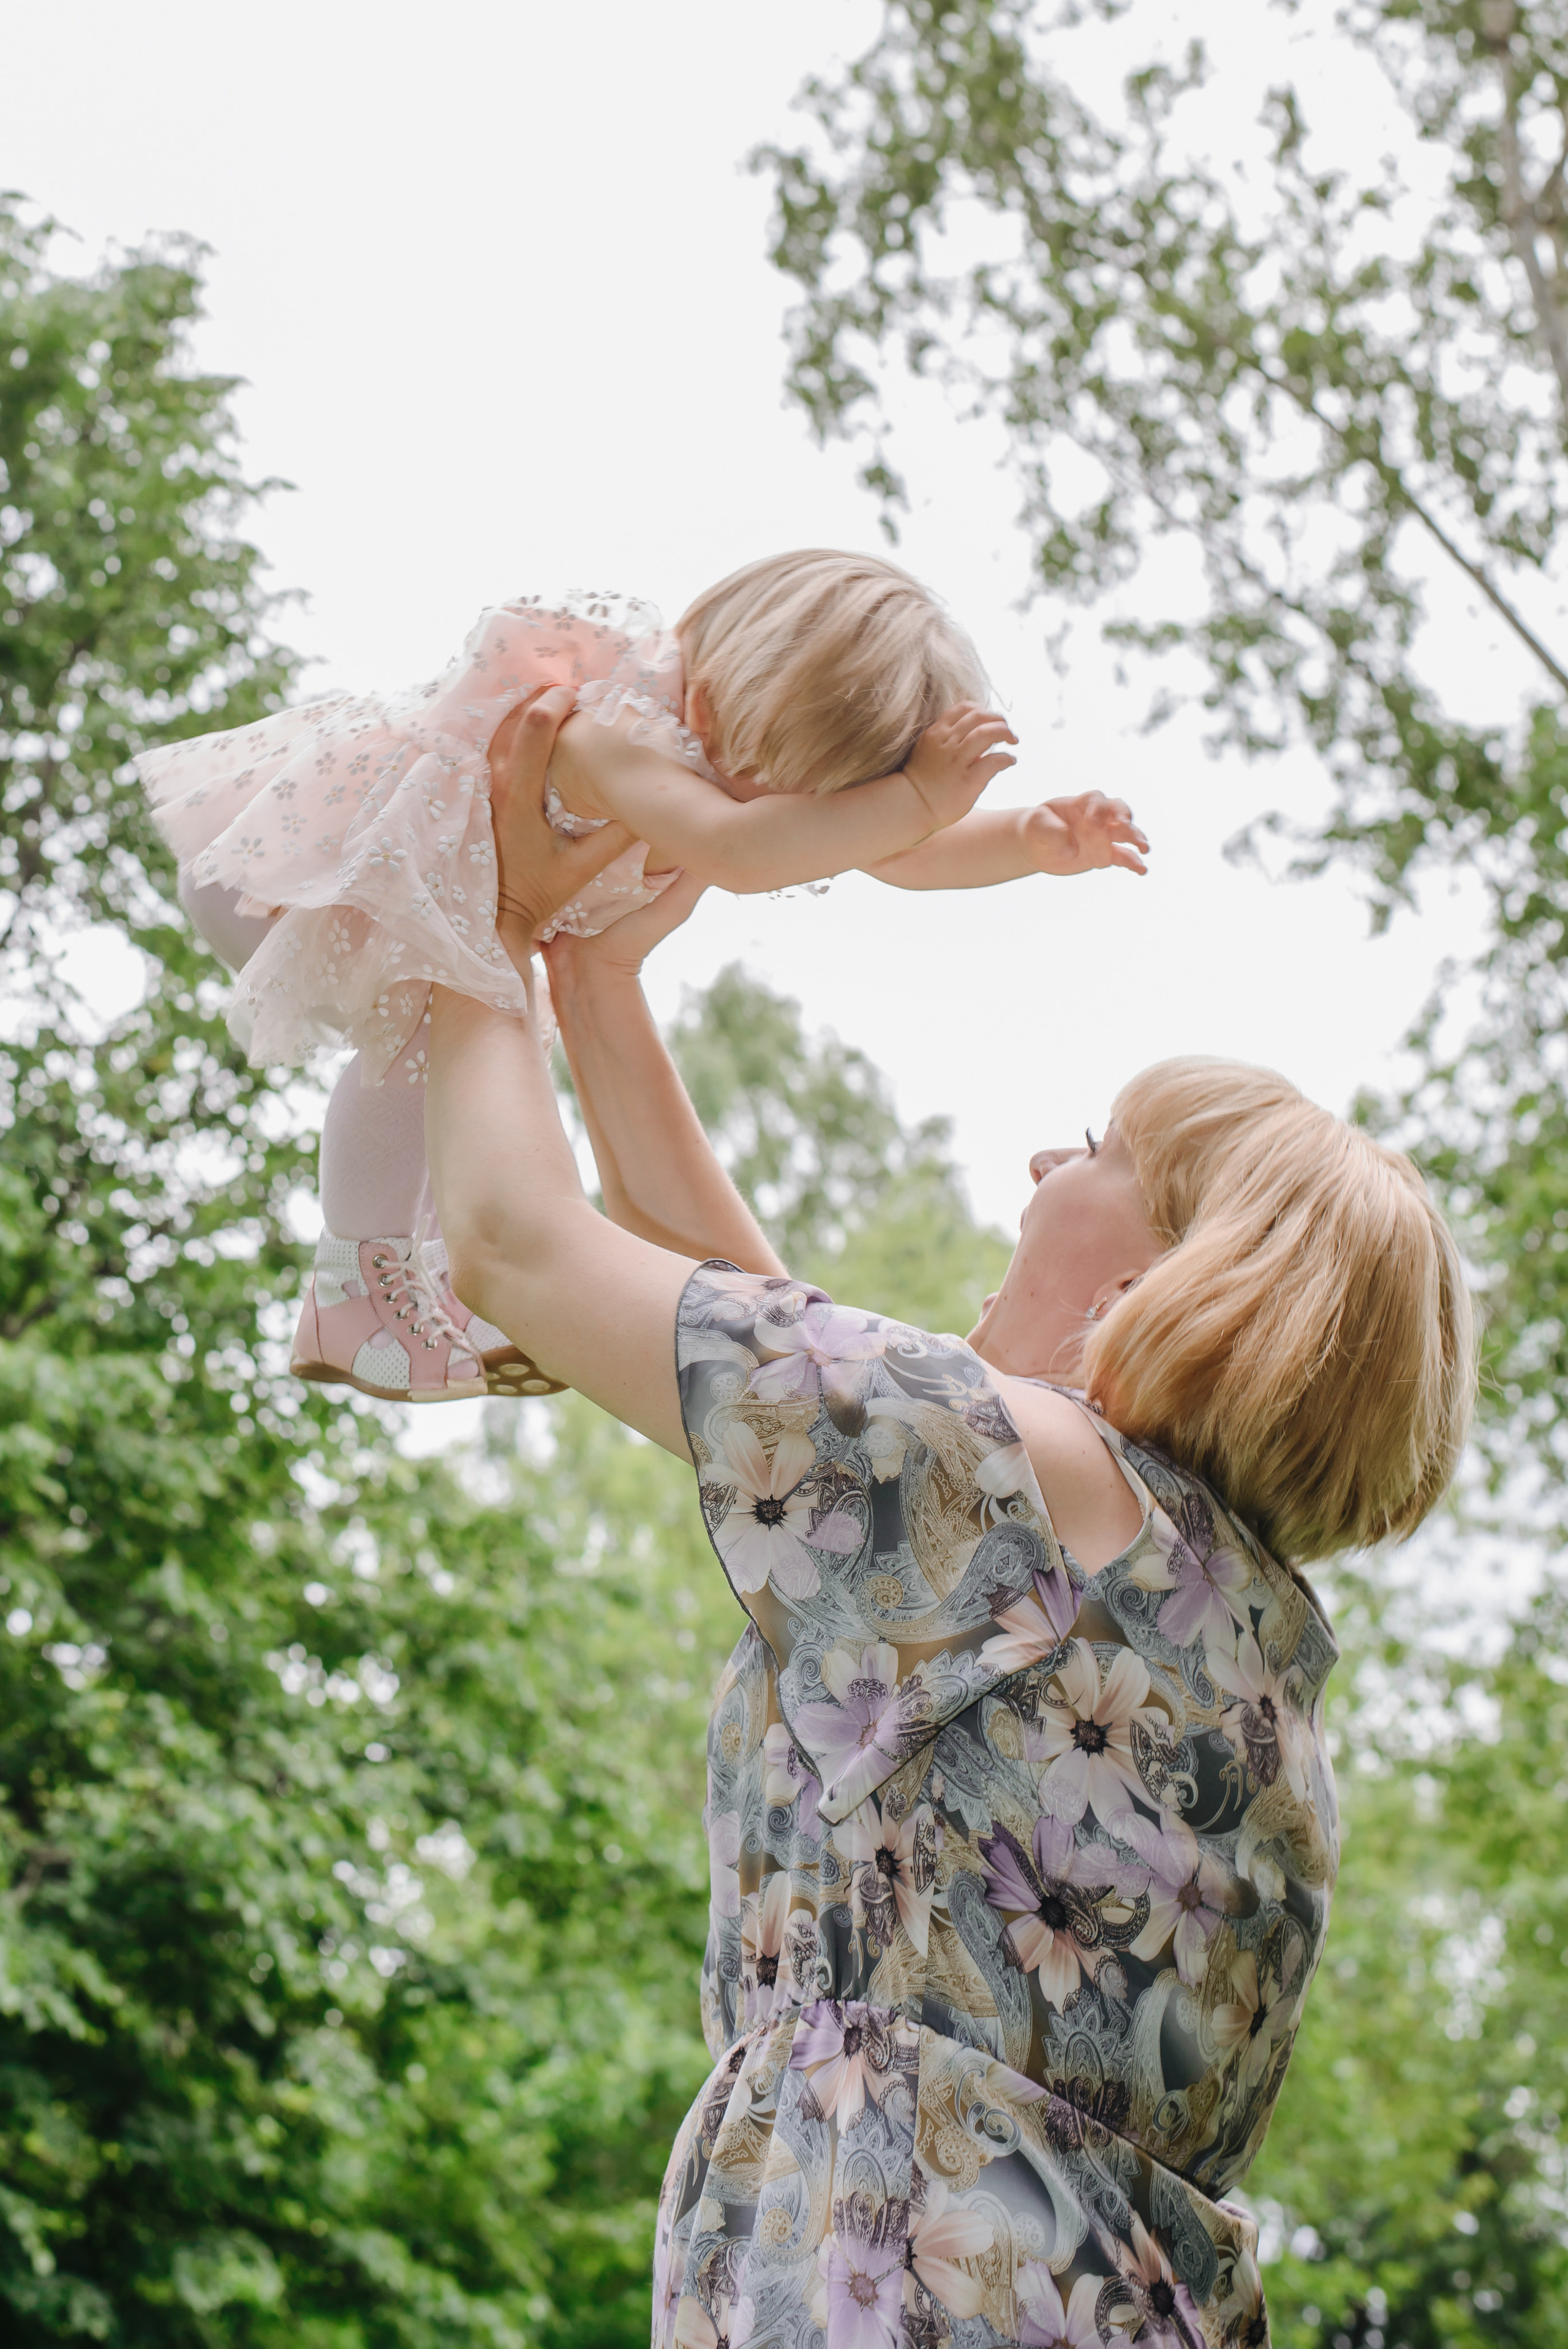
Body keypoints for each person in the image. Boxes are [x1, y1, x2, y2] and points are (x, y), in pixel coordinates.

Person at [420, 690, 1476, 2349]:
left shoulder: (1026, 1477)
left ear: (1159, 1279)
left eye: (1102, 1143)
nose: (1043, 1154)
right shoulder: (1211, 1623)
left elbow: (516, 1246)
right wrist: (595, 981)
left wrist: (464, 907)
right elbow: (758, 1322)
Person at [137, 553, 1147, 1406]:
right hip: (291, 869)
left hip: (413, 909)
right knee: (439, 1022)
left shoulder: (726, 762)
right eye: (809, 804)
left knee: (482, 1044)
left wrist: (1028, 839)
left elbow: (892, 851)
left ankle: (444, 1286)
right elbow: (747, 847)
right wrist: (921, 793)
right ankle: (356, 1283)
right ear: (712, 707)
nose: (823, 835)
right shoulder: (606, 734)